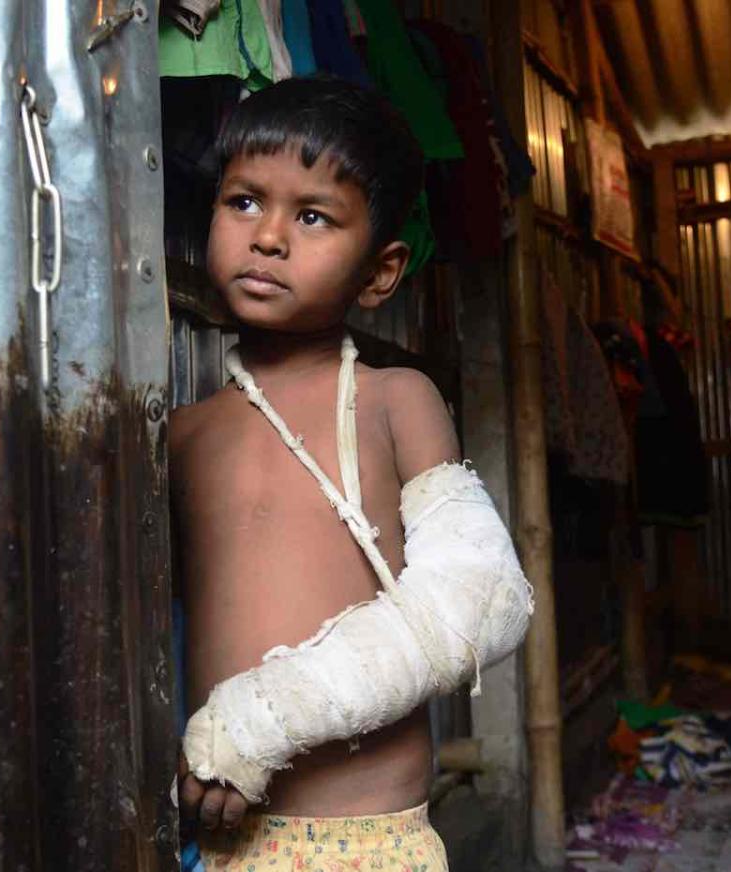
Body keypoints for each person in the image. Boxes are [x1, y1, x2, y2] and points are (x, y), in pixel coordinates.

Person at [169, 76, 530, 871]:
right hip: (224, 835)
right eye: (243, 202)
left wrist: (259, 720)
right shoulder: (182, 436)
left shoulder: (395, 402)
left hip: (367, 839)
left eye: (311, 216)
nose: (268, 237)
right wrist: (215, 750)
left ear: (380, 272)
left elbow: (481, 599)